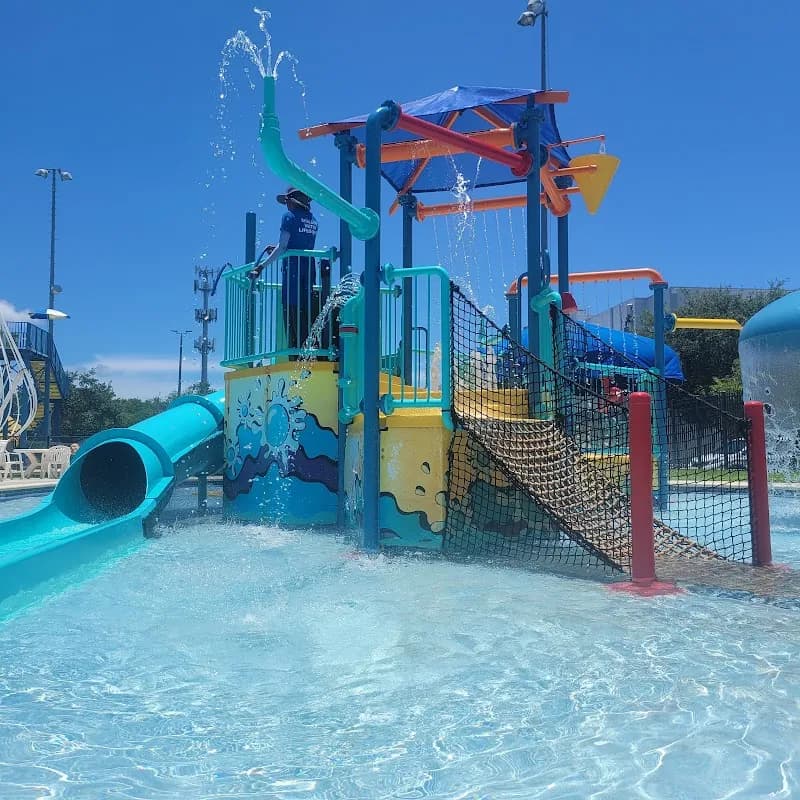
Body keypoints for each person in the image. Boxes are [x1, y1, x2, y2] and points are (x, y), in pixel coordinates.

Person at [249, 187, 318, 354]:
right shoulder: (313, 220)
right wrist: (279, 249)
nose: (286, 204)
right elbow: (299, 244)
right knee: (307, 310)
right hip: (309, 269)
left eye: (287, 201)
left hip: (293, 271)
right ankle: (310, 350)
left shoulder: (288, 217)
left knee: (292, 314)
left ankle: (296, 354)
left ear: (293, 200)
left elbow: (283, 246)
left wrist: (261, 266)